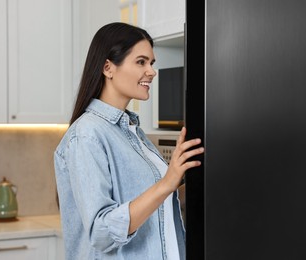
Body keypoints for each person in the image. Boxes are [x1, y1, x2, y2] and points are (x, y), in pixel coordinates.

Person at [54, 22, 204, 260]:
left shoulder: (132, 132)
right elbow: (102, 232)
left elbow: (158, 208)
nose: (152, 71)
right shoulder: (87, 135)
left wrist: (202, 180)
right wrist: (167, 183)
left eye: (152, 63)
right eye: (141, 62)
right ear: (108, 68)